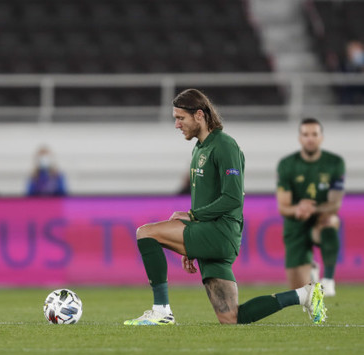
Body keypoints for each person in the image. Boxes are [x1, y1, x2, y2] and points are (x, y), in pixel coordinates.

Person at [124, 89, 326, 326]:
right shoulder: (199, 148)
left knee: (146, 233)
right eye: (175, 118)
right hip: (209, 234)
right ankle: (304, 295)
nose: (177, 124)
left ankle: (161, 310)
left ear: (199, 115)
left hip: (220, 234)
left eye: (181, 118)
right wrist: (192, 241)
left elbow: (232, 198)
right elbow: (207, 198)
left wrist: (191, 215)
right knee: (230, 317)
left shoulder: (225, 146)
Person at [277, 118, 345, 297]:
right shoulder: (287, 165)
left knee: (331, 220)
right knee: (300, 291)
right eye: (306, 134)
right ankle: (311, 266)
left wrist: (313, 209)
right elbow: (284, 207)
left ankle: (328, 280)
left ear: (321, 137)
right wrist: (298, 209)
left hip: (320, 219)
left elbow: (335, 203)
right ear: (300, 138)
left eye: (314, 134)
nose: (310, 138)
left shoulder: (334, 163)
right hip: (295, 225)